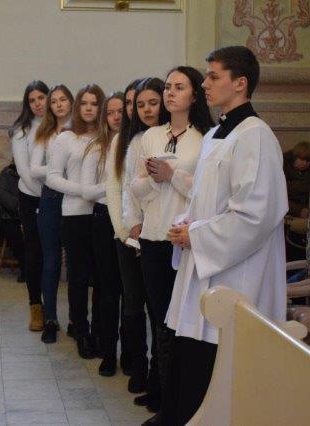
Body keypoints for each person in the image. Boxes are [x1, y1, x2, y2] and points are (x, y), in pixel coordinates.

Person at [163, 46, 288, 425]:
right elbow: (204, 197)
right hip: (206, 266)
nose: (205, 83)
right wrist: (186, 223)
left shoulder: (256, 136)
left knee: (220, 367)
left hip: (237, 275)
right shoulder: (218, 133)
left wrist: (197, 235)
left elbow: (256, 214)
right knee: (191, 363)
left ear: (240, 83)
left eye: (214, 76)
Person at [132, 69, 214, 423]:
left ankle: (175, 407)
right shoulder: (151, 135)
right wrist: (154, 180)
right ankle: (163, 400)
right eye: (167, 87)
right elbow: (134, 188)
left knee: (179, 325)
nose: (170, 93)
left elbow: (206, 192)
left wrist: (172, 176)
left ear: (194, 95)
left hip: (183, 241)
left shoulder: (205, 138)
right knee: (159, 321)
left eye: (179, 87)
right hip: (153, 237)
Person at [108, 78, 166, 401]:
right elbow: (120, 188)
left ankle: (157, 374)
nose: (142, 109)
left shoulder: (169, 136)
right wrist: (129, 228)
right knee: (133, 304)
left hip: (159, 234)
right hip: (129, 234)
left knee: (158, 309)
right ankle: (139, 367)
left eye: (149, 103)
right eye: (135, 104)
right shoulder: (127, 141)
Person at [47, 84, 105, 359]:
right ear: (77, 106)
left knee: (101, 277)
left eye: (94, 103)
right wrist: (84, 190)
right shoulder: (66, 138)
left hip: (103, 214)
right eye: (84, 103)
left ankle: (99, 330)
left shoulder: (107, 137)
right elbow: (52, 177)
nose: (89, 108)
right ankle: (80, 328)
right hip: (74, 214)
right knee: (79, 277)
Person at [81, 91, 125, 376]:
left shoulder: (137, 142)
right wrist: (114, 186)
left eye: (120, 111)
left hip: (132, 220)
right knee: (107, 289)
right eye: (110, 112)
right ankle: (108, 351)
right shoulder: (97, 147)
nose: (116, 117)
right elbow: (87, 191)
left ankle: (131, 353)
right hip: (103, 217)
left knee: (130, 294)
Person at [31, 84, 74, 343]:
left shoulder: (81, 130)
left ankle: (76, 321)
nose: (58, 104)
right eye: (54, 101)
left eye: (63, 100)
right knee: (51, 260)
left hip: (76, 199)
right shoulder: (44, 132)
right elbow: (34, 169)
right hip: (50, 198)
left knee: (76, 262)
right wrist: (58, 171)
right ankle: (50, 318)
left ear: (71, 102)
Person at [10, 80, 49, 332]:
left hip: (60, 197)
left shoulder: (62, 125)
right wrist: (47, 197)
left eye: (41, 98)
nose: (37, 104)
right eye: (32, 100)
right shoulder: (21, 130)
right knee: (34, 254)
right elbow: (25, 172)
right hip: (31, 197)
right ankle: (36, 306)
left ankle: (53, 310)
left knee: (53, 256)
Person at [0, 160, 26, 281]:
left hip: (27, 215)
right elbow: (2, 194)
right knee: (15, 233)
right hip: (7, 215)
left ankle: (33, 266)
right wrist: (20, 205)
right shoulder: (7, 173)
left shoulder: (31, 174)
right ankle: (25, 268)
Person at [283, 141, 310, 218]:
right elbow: (281, 191)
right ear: (295, 158)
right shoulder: (284, 164)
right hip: (289, 204)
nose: (306, 163)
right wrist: (298, 210)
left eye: (308, 161)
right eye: (303, 160)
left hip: (309, 203)